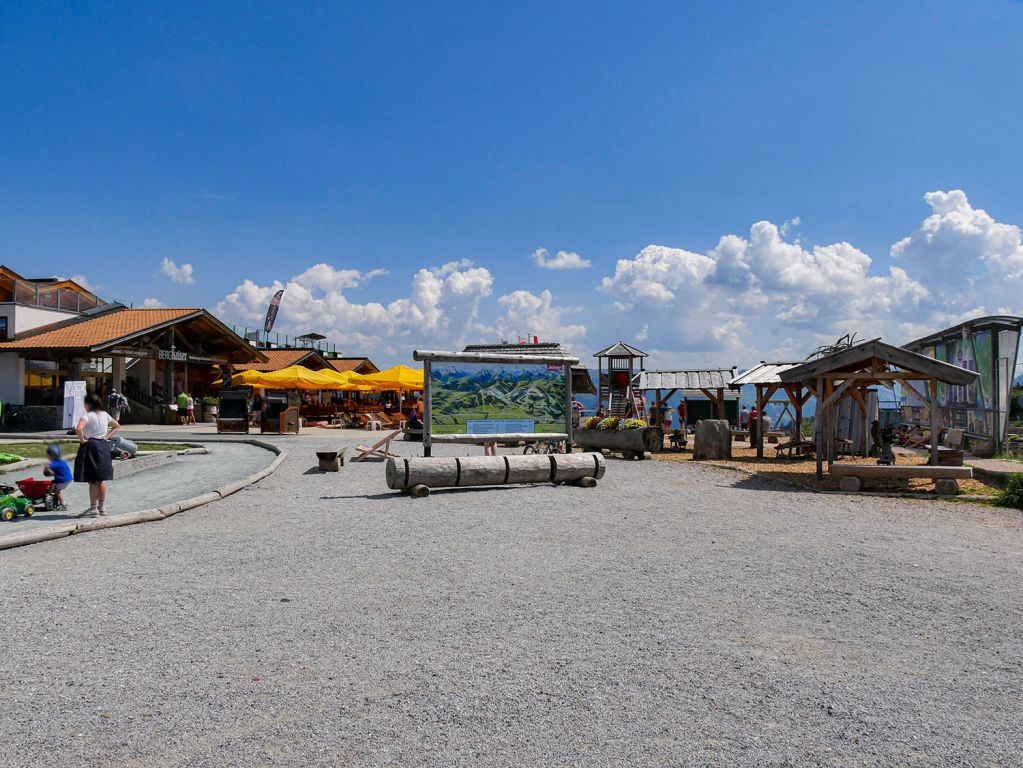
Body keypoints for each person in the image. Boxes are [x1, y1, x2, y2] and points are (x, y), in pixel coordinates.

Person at [73, 393, 119, 517]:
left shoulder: (87, 416)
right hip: (103, 446)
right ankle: (102, 506)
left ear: (88, 404)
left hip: (91, 445)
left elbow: (78, 428)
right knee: (101, 478)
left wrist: (82, 440)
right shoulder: (105, 415)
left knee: (93, 480)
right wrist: (107, 437)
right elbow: (117, 426)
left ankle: (93, 508)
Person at [43, 444, 72, 511]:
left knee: (57, 491)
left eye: (48, 456)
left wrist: (46, 467)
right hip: (67, 478)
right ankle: (56, 501)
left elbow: (47, 471)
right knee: (53, 485)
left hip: (63, 479)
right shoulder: (61, 461)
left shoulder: (54, 463)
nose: (48, 457)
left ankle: (64, 505)